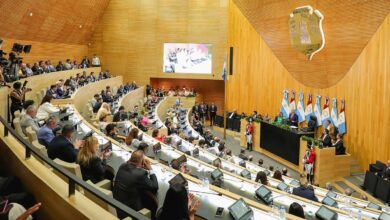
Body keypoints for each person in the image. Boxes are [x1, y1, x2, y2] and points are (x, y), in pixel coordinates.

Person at [113, 150, 159, 219]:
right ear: (142, 161)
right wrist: (150, 169)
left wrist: (139, 166)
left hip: (115, 203)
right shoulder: (140, 173)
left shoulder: (122, 165)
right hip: (127, 210)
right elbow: (155, 186)